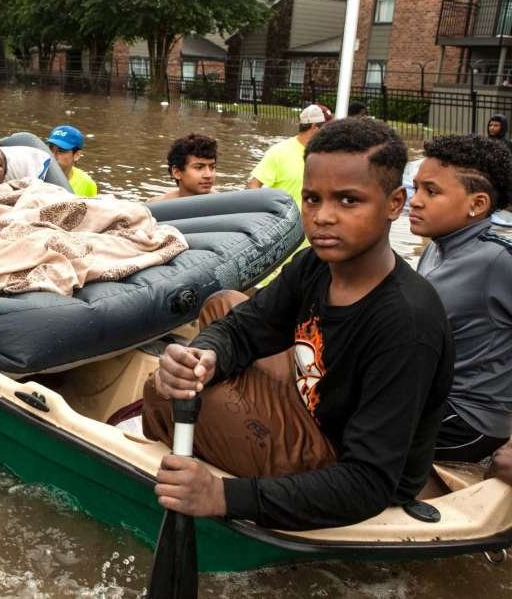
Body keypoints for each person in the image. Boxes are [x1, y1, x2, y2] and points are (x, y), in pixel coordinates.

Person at [143, 117, 453, 530]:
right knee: (223, 307)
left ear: (394, 203)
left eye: (347, 201)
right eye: (312, 199)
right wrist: (206, 358)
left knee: (163, 394)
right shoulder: (316, 265)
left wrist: (222, 495)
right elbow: (243, 326)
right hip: (311, 401)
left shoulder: (406, 323)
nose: (323, 217)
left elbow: (369, 482)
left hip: (337, 460)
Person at [408, 134, 512, 463]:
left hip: (466, 419)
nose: (415, 201)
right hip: (430, 398)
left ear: (477, 204)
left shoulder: (499, 261)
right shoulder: (436, 251)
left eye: (432, 191)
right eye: (417, 188)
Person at [247, 103, 332, 206]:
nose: (330, 132)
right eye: (327, 128)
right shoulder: (279, 151)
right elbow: (254, 184)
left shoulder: (326, 155)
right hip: (285, 220)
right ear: (314, 128)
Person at [148, 134, 217, 204]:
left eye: (212, 167)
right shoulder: (155, 206)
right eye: (199, 167)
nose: (208, 175)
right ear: (177, 172)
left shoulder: (222, 203)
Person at [46, 125, 97, 198]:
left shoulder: (87, 184)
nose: (53, 155)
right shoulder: (35, 173)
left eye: (61, 151)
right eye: (51, 148)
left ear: (77, 155)